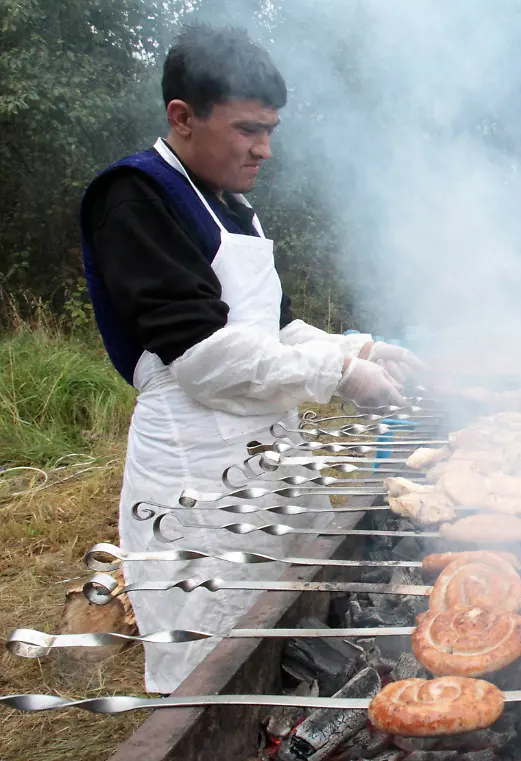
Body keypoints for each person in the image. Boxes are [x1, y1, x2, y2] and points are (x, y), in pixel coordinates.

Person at [78, 26, 417, 693]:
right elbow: (203, 355)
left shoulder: (235, 207)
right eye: (248, 129)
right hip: (197, 472)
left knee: (295, 613)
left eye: (272, 130)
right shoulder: (136, 195)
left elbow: (270, 328)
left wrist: (363, 347)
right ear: (182, 116)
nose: (265, 148)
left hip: (268, 452)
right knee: (216, 647)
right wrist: (342, 375)